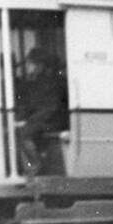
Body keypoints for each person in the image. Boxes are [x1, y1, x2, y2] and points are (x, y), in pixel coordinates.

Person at [14, 46, 68, 176]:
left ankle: (35, 165)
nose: (28, 67)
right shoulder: (36, 81)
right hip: (42, 119)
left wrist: (27, 122)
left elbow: (50, 108)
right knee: (19, 130)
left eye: (30, 64)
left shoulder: (52, 82)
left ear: (40, 65)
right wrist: (20, 119)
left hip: (53, 120)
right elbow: (30, 105)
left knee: (23, 133)